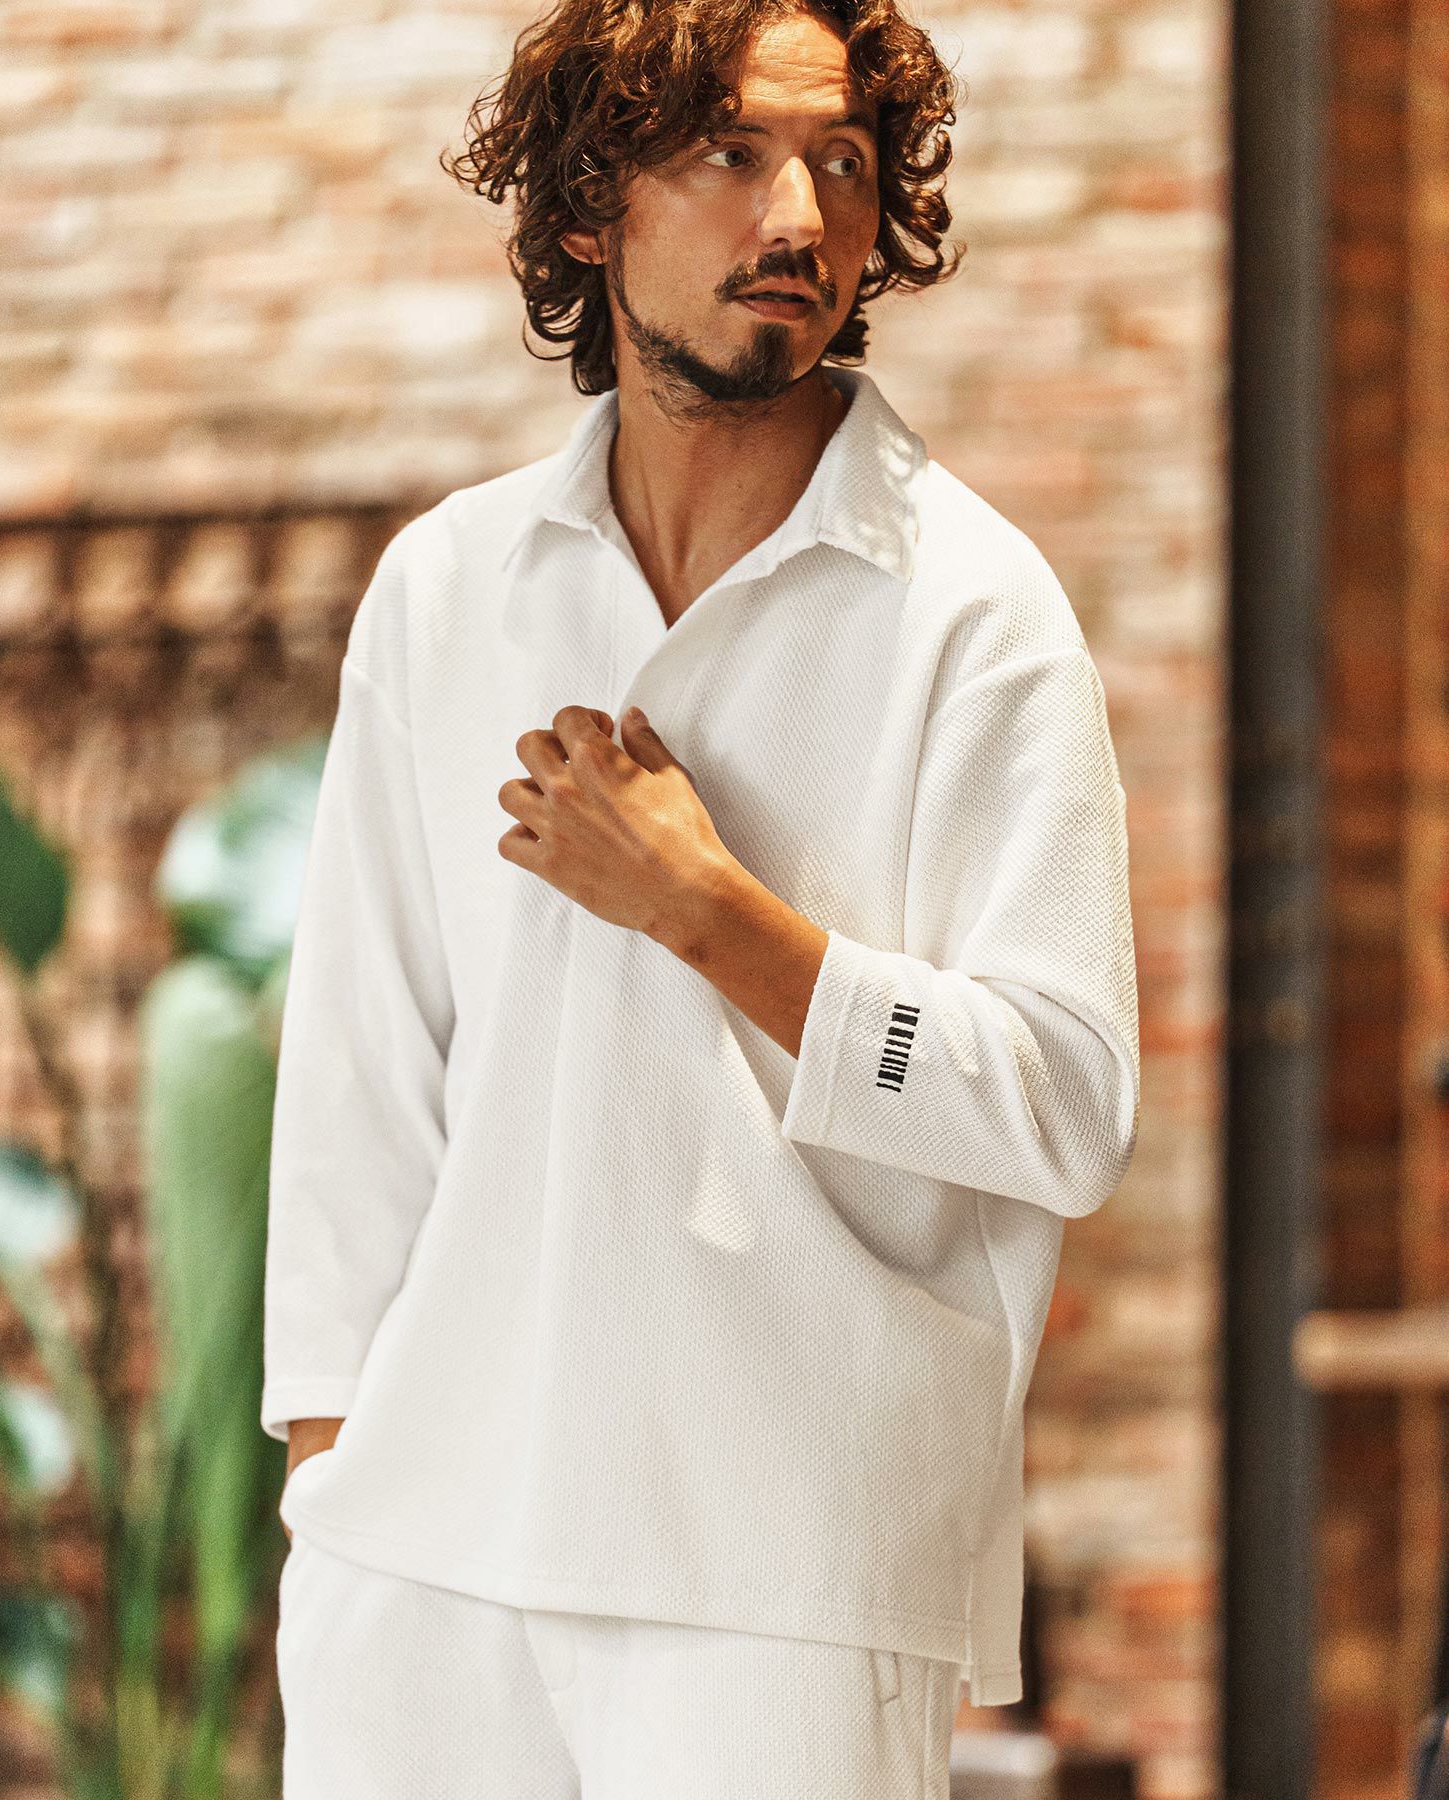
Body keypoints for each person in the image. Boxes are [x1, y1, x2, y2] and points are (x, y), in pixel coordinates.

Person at [262, 0, 1142, 1792]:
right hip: (426, 1564)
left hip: (788, 1575)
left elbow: (1067, 1107)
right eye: (732, 154)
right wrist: (335, 1491)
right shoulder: (450, 588)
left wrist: (708, 911)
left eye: (840, 162)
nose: (799, 217)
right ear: (592, 204)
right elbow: (360, 1081)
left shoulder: (973, 612)